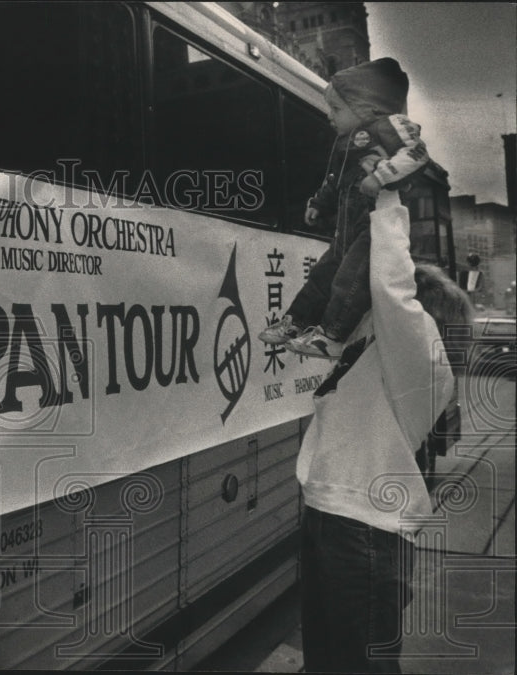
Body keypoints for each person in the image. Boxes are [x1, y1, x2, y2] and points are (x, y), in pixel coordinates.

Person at [296, 190, 473, 673]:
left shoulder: (419, 358)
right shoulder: (380, 358)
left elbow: (392, 289)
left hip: (364, 530)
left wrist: (386, 197)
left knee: (358, 665)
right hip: (334, 518)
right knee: (328, 662)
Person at [259, 57, 431, 359]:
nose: (330, 116)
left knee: (349, 279)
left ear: (366, 106)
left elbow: (416, 154)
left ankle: (332, 335)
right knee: (322, 274)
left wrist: (381, 176)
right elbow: (334, 181)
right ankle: (295, 322)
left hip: (373, 224)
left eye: (337, 109)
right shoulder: (343, 143)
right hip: (346, 227)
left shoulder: (388, 124)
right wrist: (318, 203)